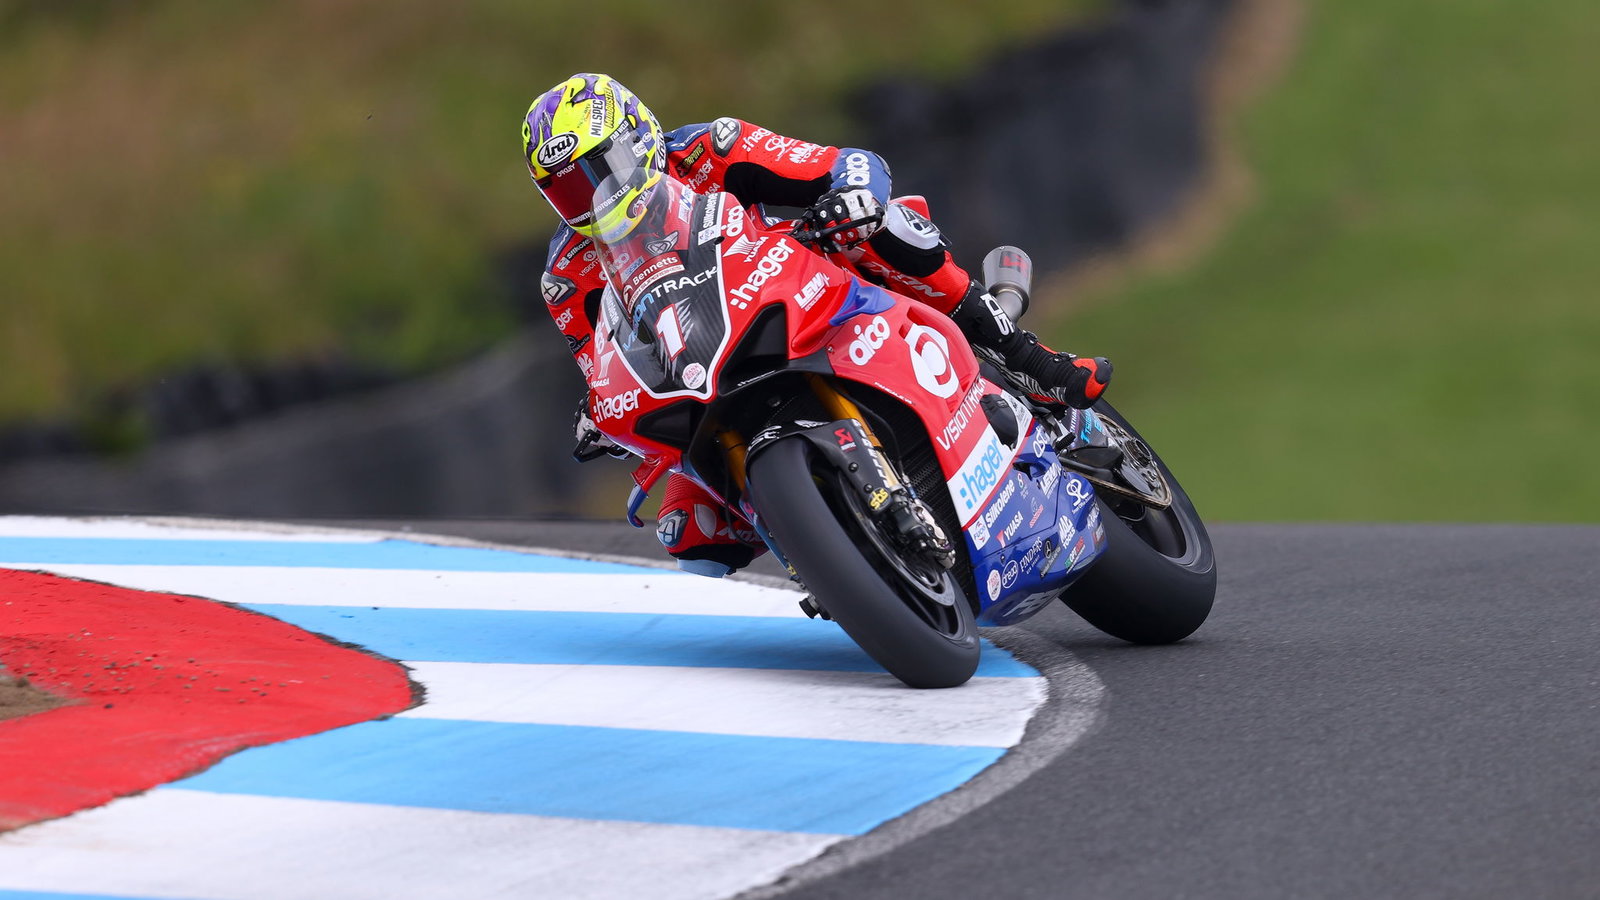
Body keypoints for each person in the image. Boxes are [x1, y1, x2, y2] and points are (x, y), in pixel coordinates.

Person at [522, 72, 1111, 577]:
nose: (593, 196)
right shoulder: (566, 275)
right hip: (703, 371)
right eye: (566, 189)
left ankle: (1030, 362)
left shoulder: (710, 149)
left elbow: (847, 165)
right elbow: (603, 360)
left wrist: (849, 196)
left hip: (793, 290)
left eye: (601, 169)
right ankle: (830, 558)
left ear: (639, 135)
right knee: (691, 536)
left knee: (884, 228)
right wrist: (599, 414)